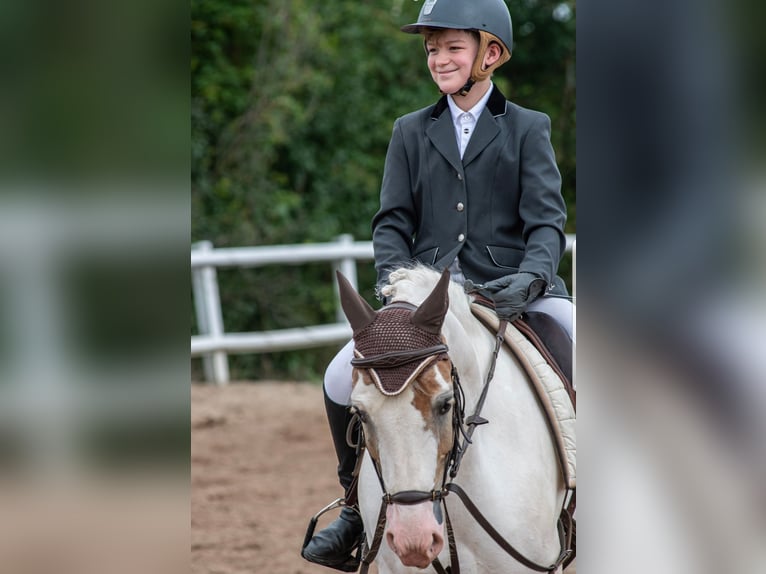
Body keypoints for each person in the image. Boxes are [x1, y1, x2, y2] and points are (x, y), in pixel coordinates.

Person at [302, 0, 573, 570]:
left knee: (586, 345)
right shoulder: (409, 131)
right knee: (336, 375)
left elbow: (547, 221)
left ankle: (591, 495)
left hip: (514, 294)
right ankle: (353, 506)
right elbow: (392, 223)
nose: (439, 58)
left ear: (489, 54)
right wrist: (397, 290)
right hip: (426, 303)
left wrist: (529, 278)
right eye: (432, 49)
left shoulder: (527, 127)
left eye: (452, 47)